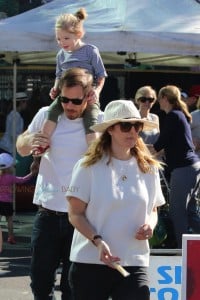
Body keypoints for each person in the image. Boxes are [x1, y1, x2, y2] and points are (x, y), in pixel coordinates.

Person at [66, 100, 165, 300]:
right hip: (90, 262)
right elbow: (75, 214)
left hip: (135, 260)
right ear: (110, 129)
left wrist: (150, 227)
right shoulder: (88, 166)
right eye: (126, 125)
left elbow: (152, 210)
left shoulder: (148, 167)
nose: (133, 131)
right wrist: (98, 241)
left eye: (137, 126)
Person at [16, 68, 98, 300]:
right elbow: (21, 147)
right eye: (64, 99)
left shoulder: (98, 121)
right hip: (48, 213)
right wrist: (32, 139)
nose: (69, 106)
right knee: (40, 283)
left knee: (74, 287)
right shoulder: (46, 115)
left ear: (89, 96)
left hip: (82, 217)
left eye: (75, 100)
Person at [32, 7, 107, 156]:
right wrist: (55, 88)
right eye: (58, 39)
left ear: (78, 34)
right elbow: (59, 75)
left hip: (86, 96)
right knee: (51, 112)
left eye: (66, 38)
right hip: (66, 96)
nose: (61, 42)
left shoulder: (90, 50)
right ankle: (43, 143)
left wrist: (96, 92)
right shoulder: (60, 54)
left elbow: (101, 75)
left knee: (91, 119)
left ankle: (94, 153)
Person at [150, 85, 200, 248]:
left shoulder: (173, 116)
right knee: (190, 213)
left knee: (177, 212)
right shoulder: (180, 115)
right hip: (192, 167)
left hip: (184, 169)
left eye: (159, 98)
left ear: (165, 98)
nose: (158, 101)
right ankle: (186, 249)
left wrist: (135, 148)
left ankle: (182, 252)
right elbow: (167, 146)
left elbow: (158, 146)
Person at [0, 152, 37, 245]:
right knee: (9, 220)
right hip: (7, 203)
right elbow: (22, 180)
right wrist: (32, 173)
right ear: (8, 167)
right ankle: (11, 237)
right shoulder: (10, 178)